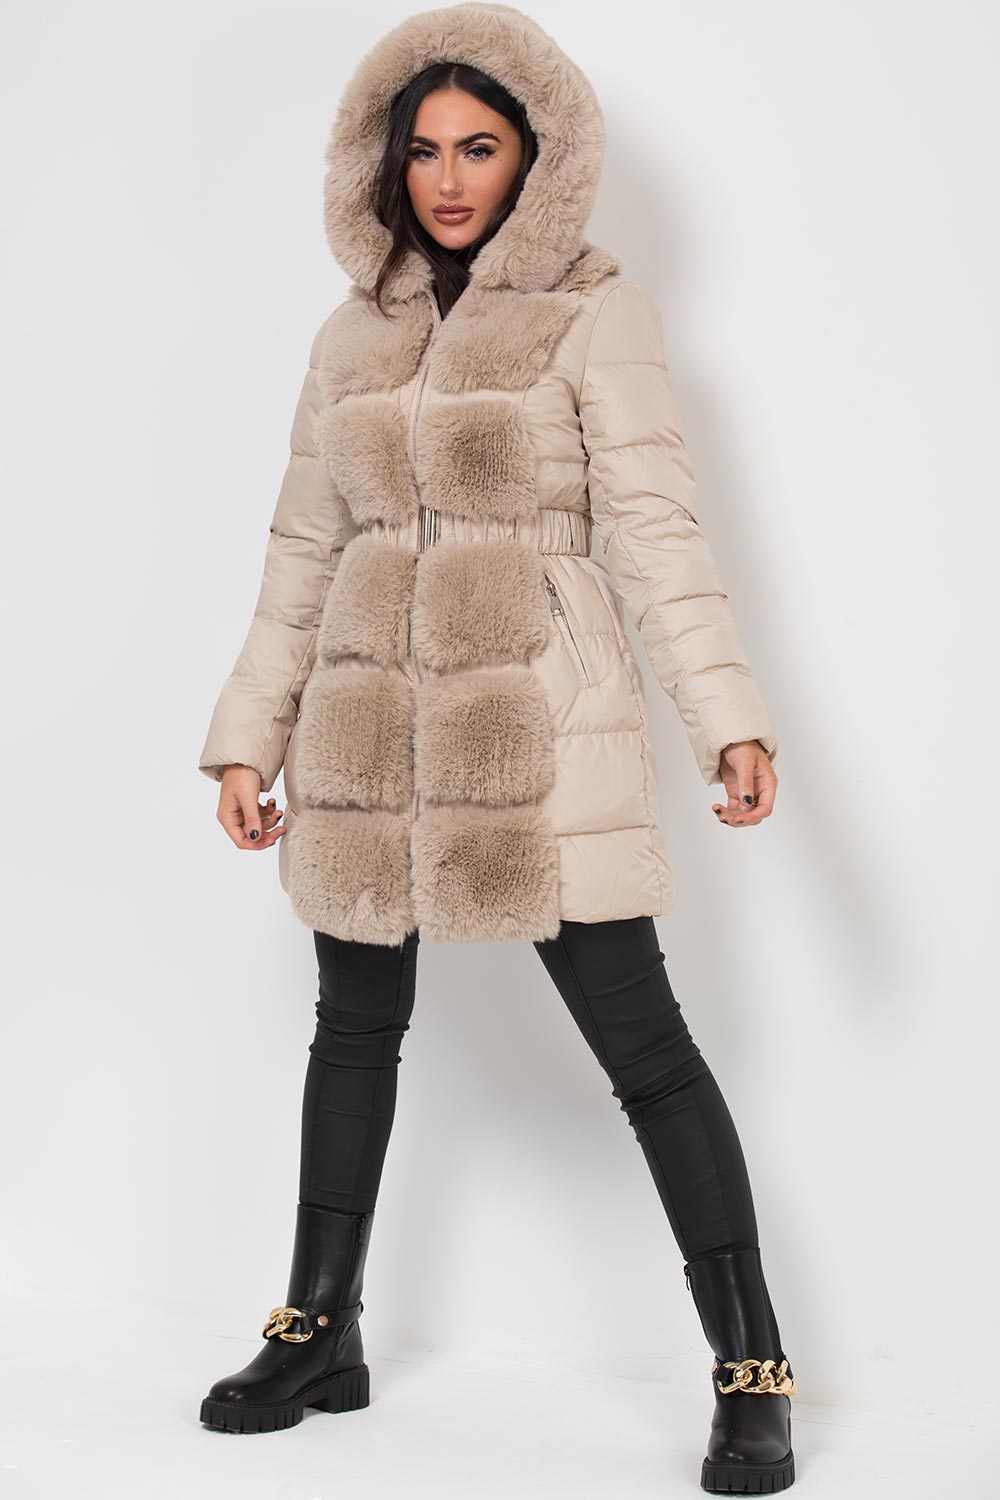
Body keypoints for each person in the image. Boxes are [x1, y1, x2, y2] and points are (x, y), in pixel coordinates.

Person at [196, 4, 796, 1491]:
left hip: (539, 725)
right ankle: (317, 1327)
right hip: (366, 727)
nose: (450, 178)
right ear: (384, 163)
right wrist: (248, 734)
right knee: (352, 1027)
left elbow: (653, 528)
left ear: (538, 157)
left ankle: (754, 1366)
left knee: (645, 1048)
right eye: (424, 151)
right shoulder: (350, 333)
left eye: (480, 148)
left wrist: (727, 716)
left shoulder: (596, 310)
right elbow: (302, 548)